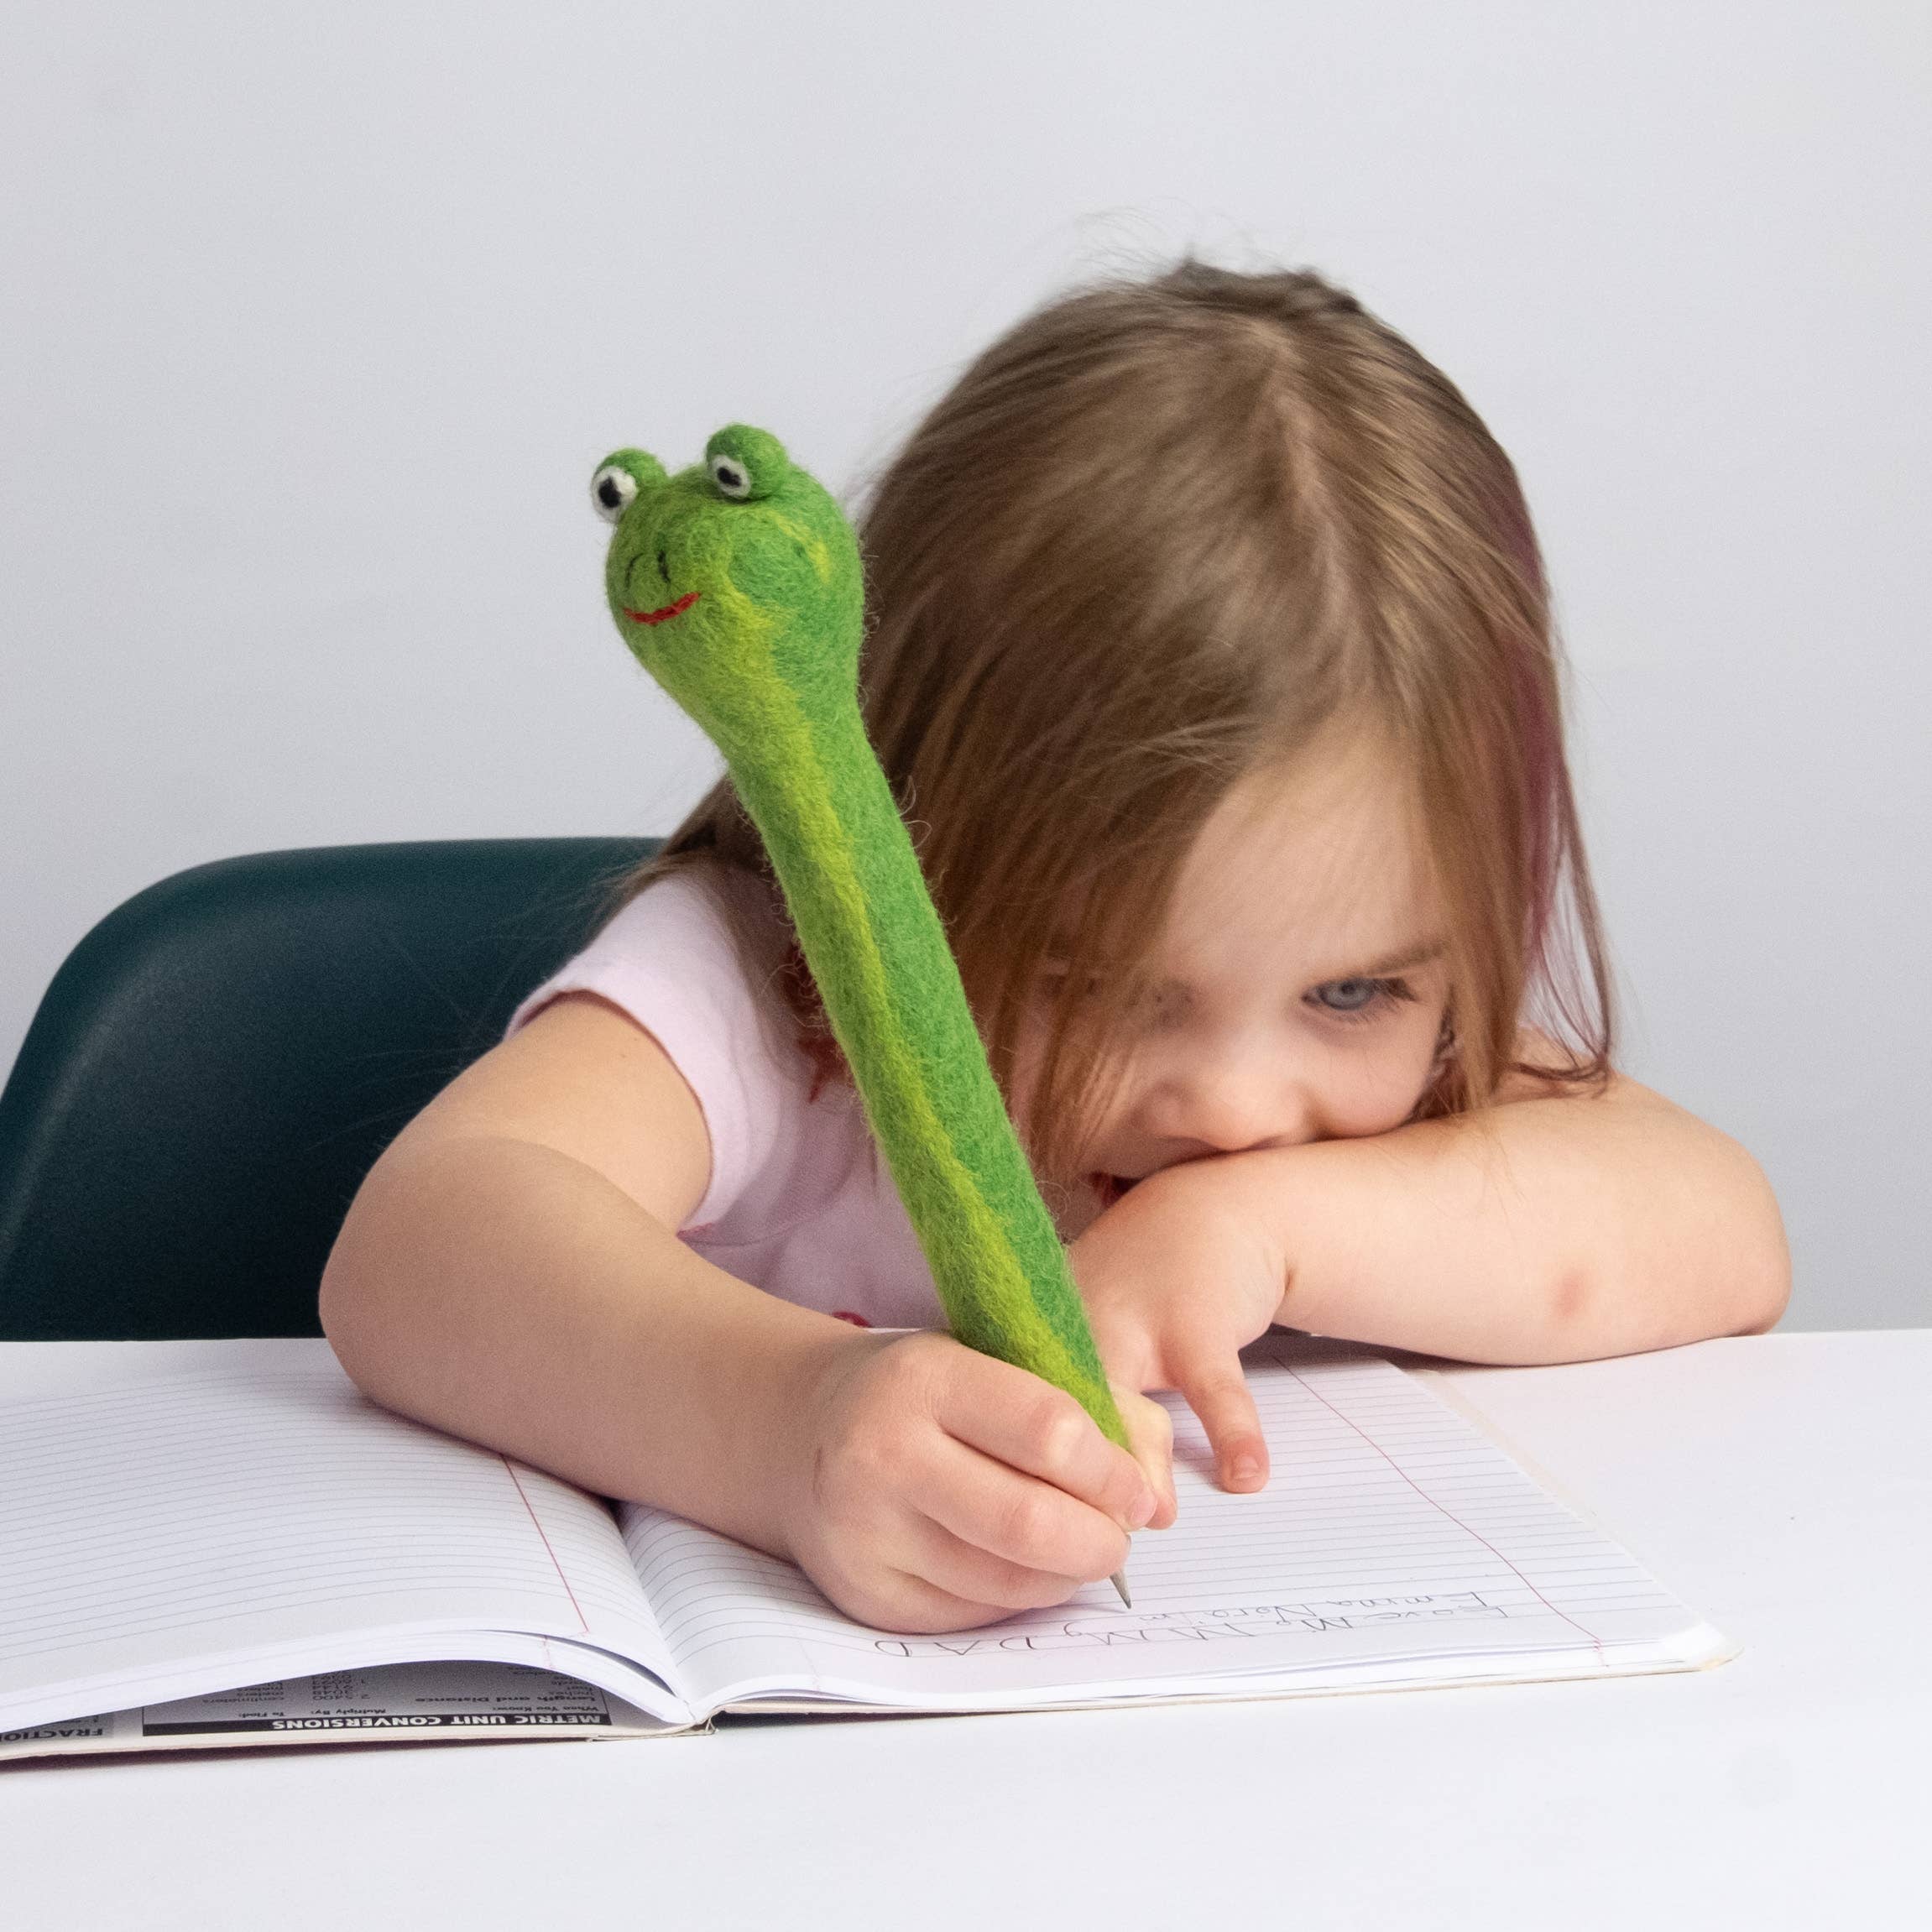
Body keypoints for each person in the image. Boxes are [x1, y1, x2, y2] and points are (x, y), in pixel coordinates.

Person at [320, 260, 1789, 1634]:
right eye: (1097, 984)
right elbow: (419, 1245)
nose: (1233, 1104)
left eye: (1350, 989)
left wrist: (1252, 1233)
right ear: (915, 835)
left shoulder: (1378, 1092)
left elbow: (1725, 1232)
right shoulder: (765, 984)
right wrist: (790, 1427)